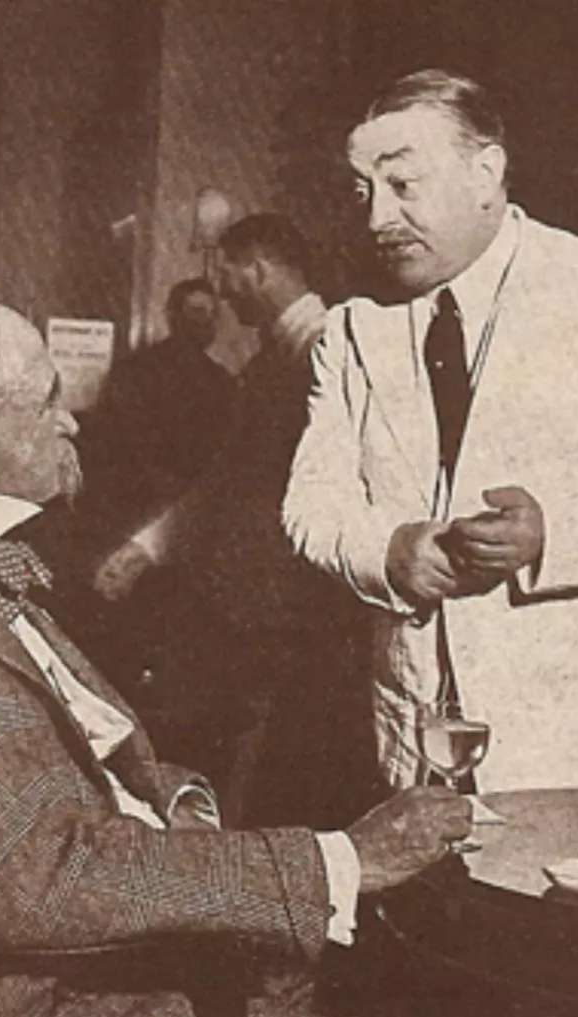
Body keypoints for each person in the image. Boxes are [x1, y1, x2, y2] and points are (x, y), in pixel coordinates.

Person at [0, 298, 503, 1017]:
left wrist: (175, 800)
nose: (71, 422)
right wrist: (344, 860)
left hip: (87, 964)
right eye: (48, 400)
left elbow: (68, 755)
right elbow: (27, 876)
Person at [283, 69, 578, 794]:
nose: (376, 219)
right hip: (422, 740)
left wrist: (551, 536)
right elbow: (311, 505)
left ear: (485, 173)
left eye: (402, 185)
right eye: (362, 190)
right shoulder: (352, 329)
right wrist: (387, 553)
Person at [200, 213, 371, 827]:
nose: (222, 294)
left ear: (258, 269)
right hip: (268, 605)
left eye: (226, 275)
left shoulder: (328, 349)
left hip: (297, 605)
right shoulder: (275, 359)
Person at [79, 277, 237, 602]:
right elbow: (113, 446)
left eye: (212, 315)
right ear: (173, 316)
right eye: (197, 312)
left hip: (184, 521)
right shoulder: (134, 373)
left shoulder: (222, 383)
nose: (205, 323)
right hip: (137, 513)